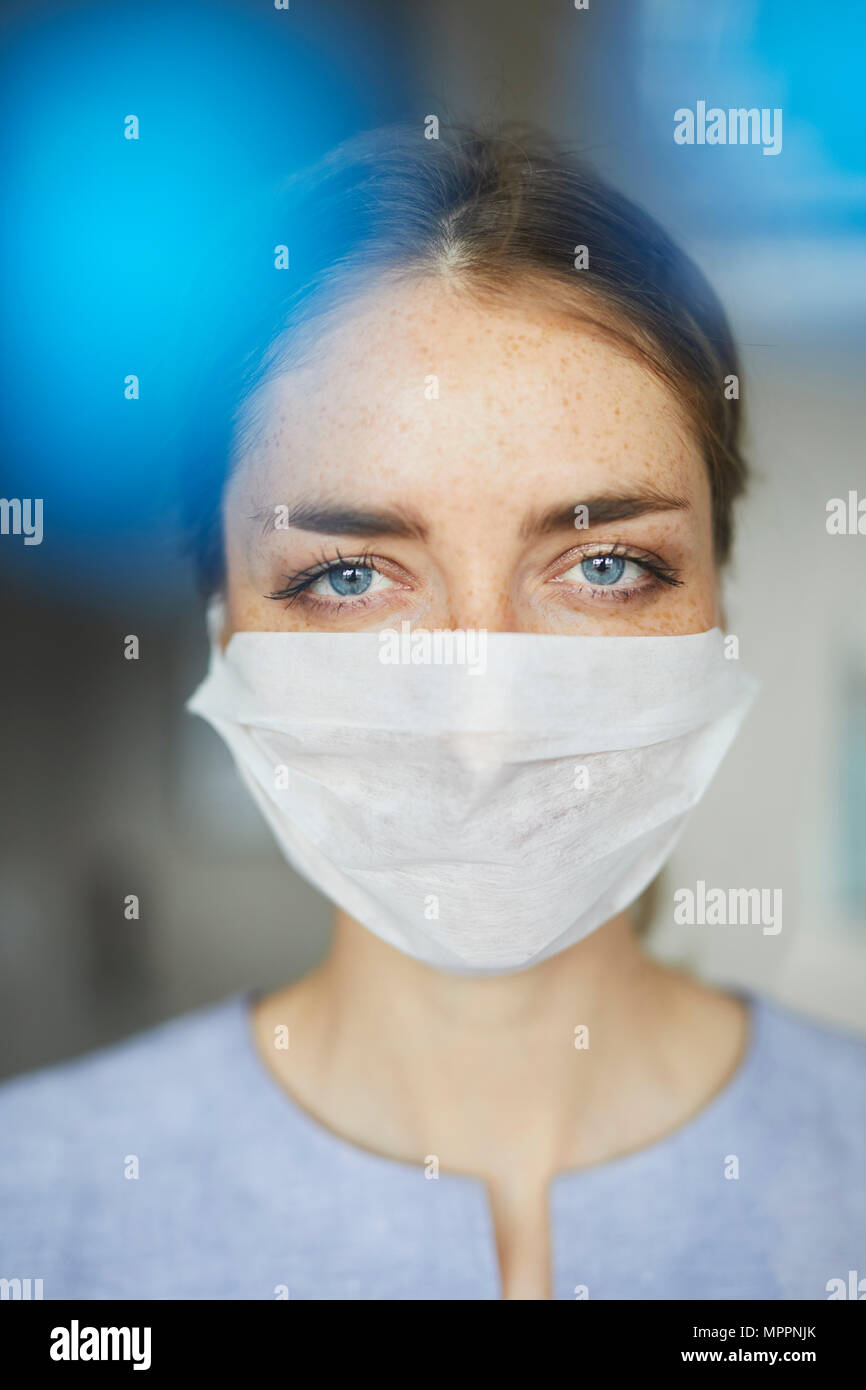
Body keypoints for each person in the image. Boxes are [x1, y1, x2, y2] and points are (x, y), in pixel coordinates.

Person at [1, 126, 864, 1302]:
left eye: (604, 565)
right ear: (223, 627)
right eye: (347, 576)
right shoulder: (36, 1212)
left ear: (716, 597)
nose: (483, 731)